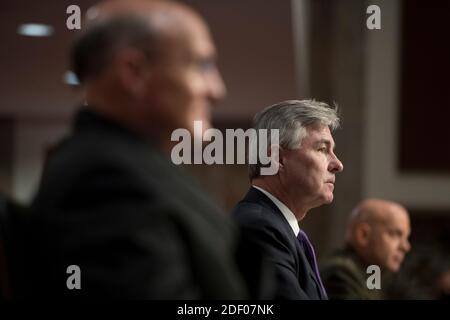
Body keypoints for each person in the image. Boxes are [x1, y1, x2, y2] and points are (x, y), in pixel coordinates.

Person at [28, 0, 250, 299]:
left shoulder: (130, 166)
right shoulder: (102, 183)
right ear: (134, 72)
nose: (216, 89)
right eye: (202, 65)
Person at [232, 99, 344, 299]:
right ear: (278, 158)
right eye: (322, 149)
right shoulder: (259, 227)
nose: (337, 164)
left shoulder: (278, 227)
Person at [320, 199, 411, 299]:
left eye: (406, 237)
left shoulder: (372, 271)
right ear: (363, 235)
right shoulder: (341, 274)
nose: (405, 247)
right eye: (395, 234)